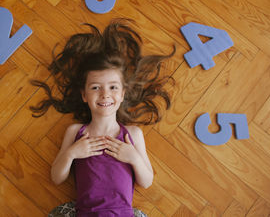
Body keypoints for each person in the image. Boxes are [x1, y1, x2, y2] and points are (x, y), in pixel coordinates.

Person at [30, 19, 175, 217]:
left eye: (113, 87)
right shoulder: (75, 132)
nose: (105, 94)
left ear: (122, 94)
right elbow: (56, 177)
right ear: (84, 94)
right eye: (96, 87)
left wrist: (133, 158)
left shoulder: (132, 134)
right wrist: (72, 153)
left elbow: (147, 181)